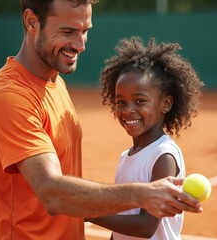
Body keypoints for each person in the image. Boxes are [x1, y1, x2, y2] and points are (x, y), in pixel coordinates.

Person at [0, 0, 203, 239]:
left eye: (85, 32)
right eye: (68, 31)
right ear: (31, 21)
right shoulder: (8, 97)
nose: (80, 45)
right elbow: (50, 191)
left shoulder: (54, 83)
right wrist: (142, 194)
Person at [87, 37, 204, 239]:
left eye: (140, 101)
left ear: (165, 105)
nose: (128, 110)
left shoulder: (163, 156)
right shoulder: (127, 155)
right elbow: (122, 222)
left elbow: (145, 226)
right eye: (121, 102)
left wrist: (86, 213)